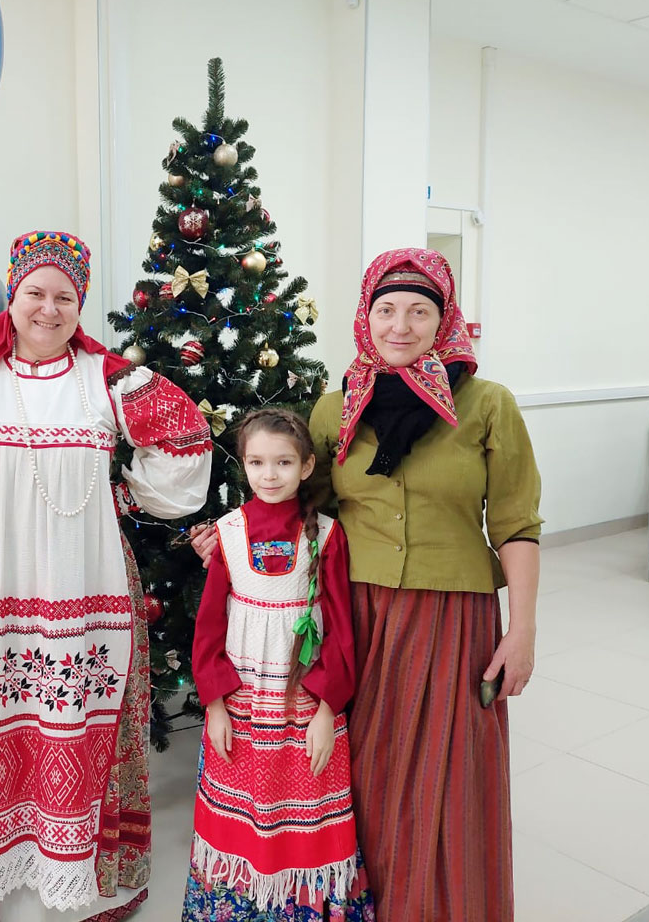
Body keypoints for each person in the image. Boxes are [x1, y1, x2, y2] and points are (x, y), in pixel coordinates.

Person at [194, 247, 541, 920]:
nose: (401, 325)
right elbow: (294, 506)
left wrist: (521, 631)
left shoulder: (487, 405)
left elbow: (519, 525)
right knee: (365, 772)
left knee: (450, 773)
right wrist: (229, 536)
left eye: (419, 311)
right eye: (386, 309)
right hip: (356, 613)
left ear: (445, 321)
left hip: (453, 617)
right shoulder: (335, 408)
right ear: (365, 317)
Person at [0, 230, 212, 922]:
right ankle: (3, 883)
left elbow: (185, 446)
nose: (48, 309)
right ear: (11, 298)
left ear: (79, 304)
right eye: (34, 294)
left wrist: (132, 488)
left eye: (64, 297)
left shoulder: (108, 382)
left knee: (77, 726)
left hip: (86, 593)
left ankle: (77, 890)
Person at [185, 408, 374, 922]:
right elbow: (208, 629)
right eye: (257, 462)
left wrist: (325, 712)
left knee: (304, 809)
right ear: (243, 466)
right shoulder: (227, 532)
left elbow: (339, 629)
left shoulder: (328, 536)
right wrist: (216, 707)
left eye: (284, 462)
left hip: (305, 707)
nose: (269, 475)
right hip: (241, 708)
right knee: (243, 811)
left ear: (307, 466)